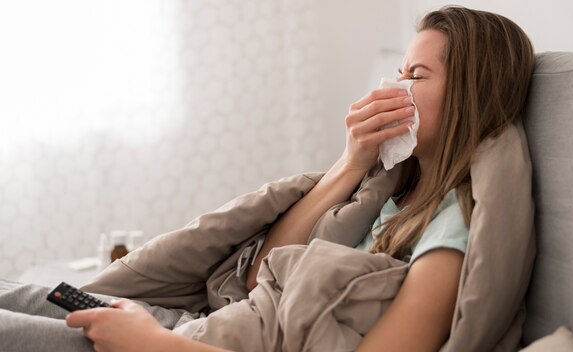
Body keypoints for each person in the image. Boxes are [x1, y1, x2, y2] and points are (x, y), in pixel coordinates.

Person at [2, 6, 535, 352]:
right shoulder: (392, 188)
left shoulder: (449, 231)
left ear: (470, 93)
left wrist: (155, 344)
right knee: (22, 293)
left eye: (415, 76)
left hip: (200, 343)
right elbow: (260, 275)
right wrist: (350, 164)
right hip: (211, 327)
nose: (394, 89)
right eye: (399, 72)